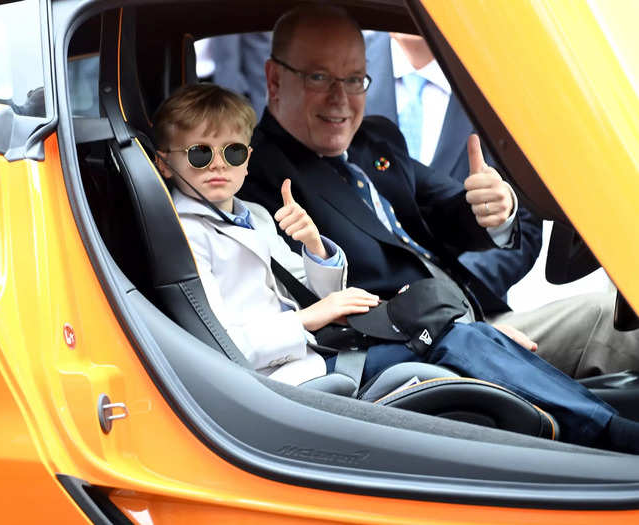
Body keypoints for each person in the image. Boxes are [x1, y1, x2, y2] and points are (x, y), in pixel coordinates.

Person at [153, 82, 639, 454]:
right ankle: (607, 433)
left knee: (462, 334)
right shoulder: (187, 231)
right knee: (459, 337)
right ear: (166, 164)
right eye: (200, 154)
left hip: (329, 346)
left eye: (232, 153)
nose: (218, 165)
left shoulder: (252, 214)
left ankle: (596, 423)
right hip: (292, 374)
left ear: (246, 158)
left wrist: (315, 248)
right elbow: (218, 344)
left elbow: (315, 292)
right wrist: (307, 319)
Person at [238, 4, 639, 379]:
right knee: (610, 317)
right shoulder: (257, 176)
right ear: (275, 80)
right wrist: (464, 336)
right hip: (422, 353)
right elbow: (322, 303)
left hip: (479, 320)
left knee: (623, 314)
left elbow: (448, 209)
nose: (340, 99)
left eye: (354, 79)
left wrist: (493, 208)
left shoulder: (374, 139)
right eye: (320, 77)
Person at [364, 31, 542, 301]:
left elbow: (522, 225)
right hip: (357, 308)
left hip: (468, 308)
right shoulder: (337, 56)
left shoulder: (504, 79)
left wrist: (449, 296)